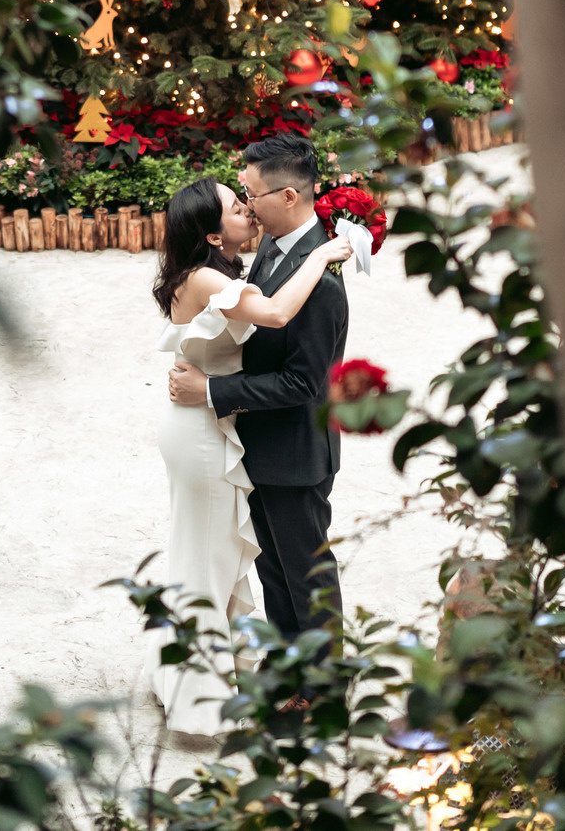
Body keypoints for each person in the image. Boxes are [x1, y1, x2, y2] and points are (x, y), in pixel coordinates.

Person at [152, 174, 351, 736]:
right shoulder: (218, 273)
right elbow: (277, 316)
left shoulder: (241, 259)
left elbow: (306, 377)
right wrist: (325, 253)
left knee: (238, 559)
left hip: (223, 425)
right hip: (204, 430)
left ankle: (315, 686)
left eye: (248, 197)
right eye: (237, 205)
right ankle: (201, 694)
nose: (248, 210)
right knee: (216, 562)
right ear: (214, 235)